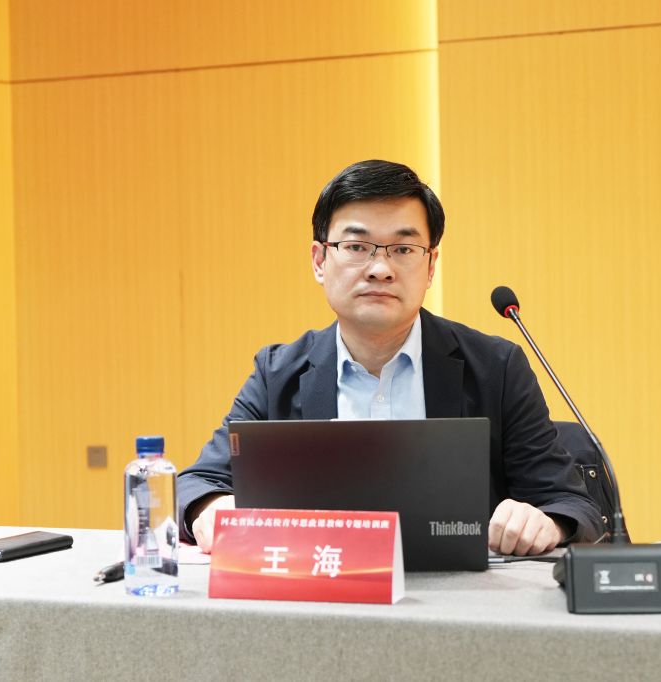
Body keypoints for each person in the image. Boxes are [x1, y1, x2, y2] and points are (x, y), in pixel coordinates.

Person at [177, 160, 603, 555]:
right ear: (320, 260)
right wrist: (212, 508)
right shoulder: (277, 374)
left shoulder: (496, 368)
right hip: (319, 594)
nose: (380, 268)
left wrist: (545, 521)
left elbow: (570, 503)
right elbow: (198, 483)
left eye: (403, 249)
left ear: (430, 265)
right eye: (356, 246)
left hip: (461, 599)